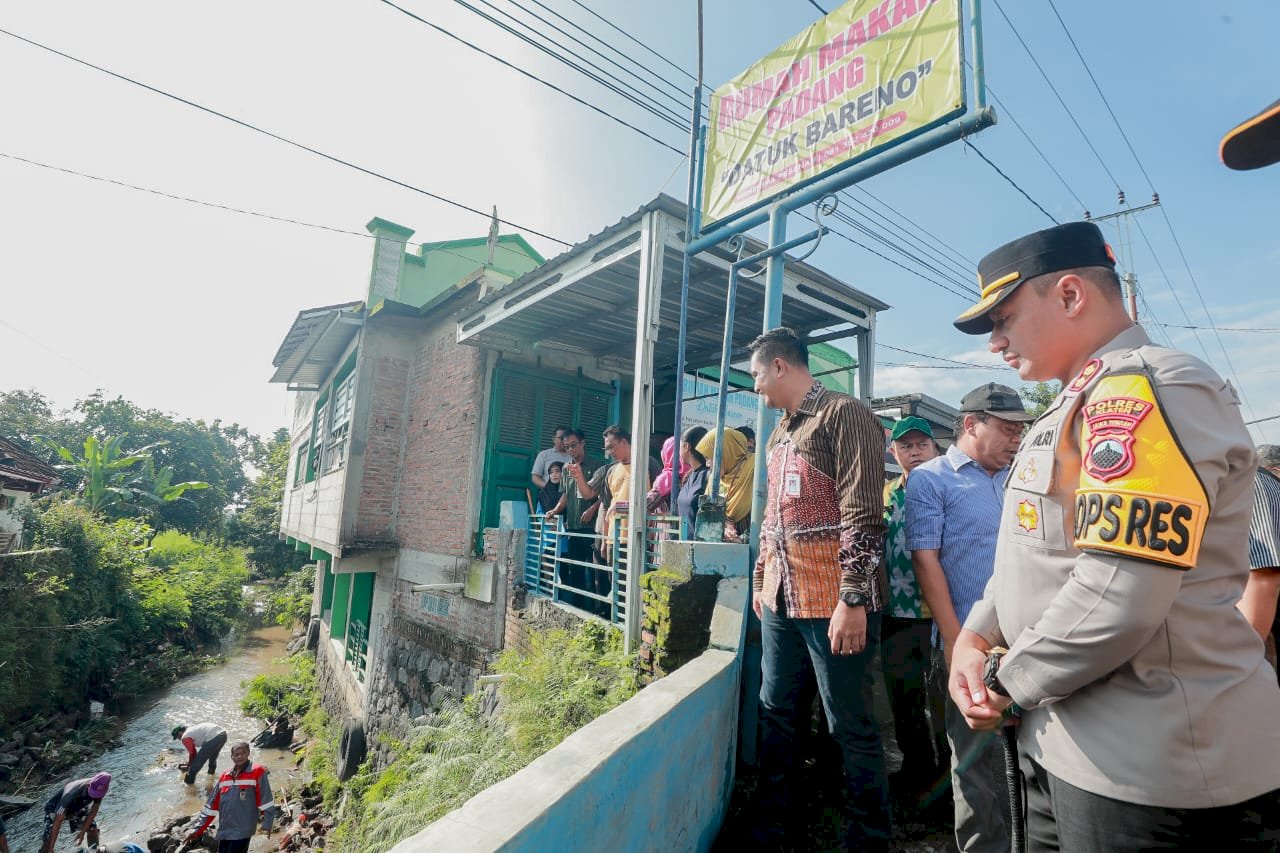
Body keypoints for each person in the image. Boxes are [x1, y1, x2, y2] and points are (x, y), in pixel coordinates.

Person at [948, 220, 1280, 849]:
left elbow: (1119, 592)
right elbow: (1031, 554)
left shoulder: (1147, 389)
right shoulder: (1074, 403)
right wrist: (975, 636)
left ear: (1070, 295)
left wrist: (1006, 684)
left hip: (1144, 765)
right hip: (1060, 737)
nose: (995, 342)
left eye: (1004, 319)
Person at [747, 326, 891, 850]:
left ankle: (867, 840)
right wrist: (761, 579)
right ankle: (775, 831)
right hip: (782, 600)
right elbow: (772, 516)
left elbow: (863, 512)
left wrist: (853, 597)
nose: (756, 388)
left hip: (834, 602)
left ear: (780, 366)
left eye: (757, 375)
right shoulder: (779, 434)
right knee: (777, 715)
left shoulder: (844, 415)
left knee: (848, 726)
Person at [906, 385, 1030, 852]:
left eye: (1020, 430)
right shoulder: (932, 479)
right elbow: (926, 561)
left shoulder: (1020, 477)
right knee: (975, 766)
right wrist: (958, 645)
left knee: (1030, 761)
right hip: (970, 646)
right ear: (971, 424)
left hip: (1028, 643)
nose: (1016, 438)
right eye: (1007, 429)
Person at [880, 416, 946, 809]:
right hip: (896, 617)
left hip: (940, 617)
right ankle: (915, 779)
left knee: (940, 705)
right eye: (906, 446)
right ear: (894, 452)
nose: (915, 451)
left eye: (922, 444)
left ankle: (945, 785)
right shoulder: (888, 493)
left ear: (935, 448)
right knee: (903, 704)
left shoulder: (949, 487)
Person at [185, 741, 275, 853]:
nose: (240, 756)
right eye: (236, 754)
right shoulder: (225, 775)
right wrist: (198, 829)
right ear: (231, 756)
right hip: (225, 829)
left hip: (243, 830)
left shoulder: (257, 771)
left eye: (243, 753)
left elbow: (266, 800)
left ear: (248, 753)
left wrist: (267, 824)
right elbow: (211, 806)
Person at [1242, 445, 1280, 671]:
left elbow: (1264, 573)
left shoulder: (1259, 483)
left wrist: (1244, 656)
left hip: (1261, 621)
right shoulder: (1263, 483)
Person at [694, 428, 754, 539]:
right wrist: (723, 526)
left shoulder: (755, 469)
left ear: (726, 452)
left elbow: (766, 514)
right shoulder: (714, 480)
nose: (707, 464)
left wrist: (742, 540)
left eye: (708, 458)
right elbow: (708, 516)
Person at [41, 771, 110, 853]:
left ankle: (94, 851)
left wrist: (82, 833)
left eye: (96, 794)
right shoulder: (70, 794)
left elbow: (93, 812)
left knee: (92, 828)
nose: (94, 796)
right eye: (92, 793)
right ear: (89, 785)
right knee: (48, 840)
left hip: (77, 808)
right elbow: (57, 822)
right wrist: (50, 849)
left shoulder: (101, 789)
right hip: (55, 808)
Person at [676, 425, 709, 538]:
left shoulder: (707, 476)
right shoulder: (689, 476)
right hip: (683, 543)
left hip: (699, 545)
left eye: (679, 447)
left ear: (686, 447)